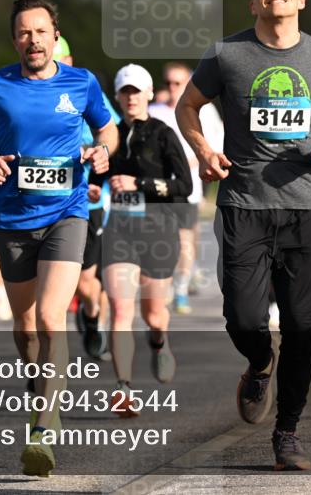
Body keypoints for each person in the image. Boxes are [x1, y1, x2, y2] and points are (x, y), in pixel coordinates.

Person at [177, 0, 311, 470]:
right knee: (245, 317)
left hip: (306, 209)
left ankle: (288, 433)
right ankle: (259, 361)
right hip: (244, 205)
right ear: (253, 3)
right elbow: (187, 107)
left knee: (302, 325)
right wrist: (204, 149)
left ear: (301, 0)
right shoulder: (226, 54)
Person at [0, 0, 117, 477]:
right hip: (13, 220)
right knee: (24, 329)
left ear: (54, 35)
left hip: (68, 212)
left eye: (41, 31)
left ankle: (43, 426)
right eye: (24, 33)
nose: (33, 40)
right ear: (14, 40)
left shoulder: (80, 82)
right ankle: (40, 387)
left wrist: (103, 152)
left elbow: (109, 132)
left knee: (49, 317)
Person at [101, 64, 191, 415]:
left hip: (158, 232)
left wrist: (139, 184)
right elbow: (94, 176)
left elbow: (184, 186)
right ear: (117, 98)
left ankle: (159, 340)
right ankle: (123, 388)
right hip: (120, 231)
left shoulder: (163, 133)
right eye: (125, 92)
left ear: (150, 95)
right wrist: (95, 186)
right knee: (121, 309)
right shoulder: (107, 136)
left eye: (137, 91)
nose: (131, 97)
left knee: (154, 314)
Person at [53, 36, 120, 360]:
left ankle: (92, 316)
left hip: (88, 200)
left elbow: (111, 142)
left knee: (85, 282)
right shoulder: (30, 95)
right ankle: (44, 364)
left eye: (59, 59)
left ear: (70, 59)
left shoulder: (85, 88)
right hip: (43, 201)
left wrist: (99, 179)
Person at [148, 61, 225, 313]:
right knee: (161, 242)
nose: (172, 88)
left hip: (188, 187)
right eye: (168, 82)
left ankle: (180, 288)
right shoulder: (155, 111)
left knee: (184, 241)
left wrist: (186, 162)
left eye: (178, 83)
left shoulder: (205, 111)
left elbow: (215, 145)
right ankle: (167, 283)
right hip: (157, 189)